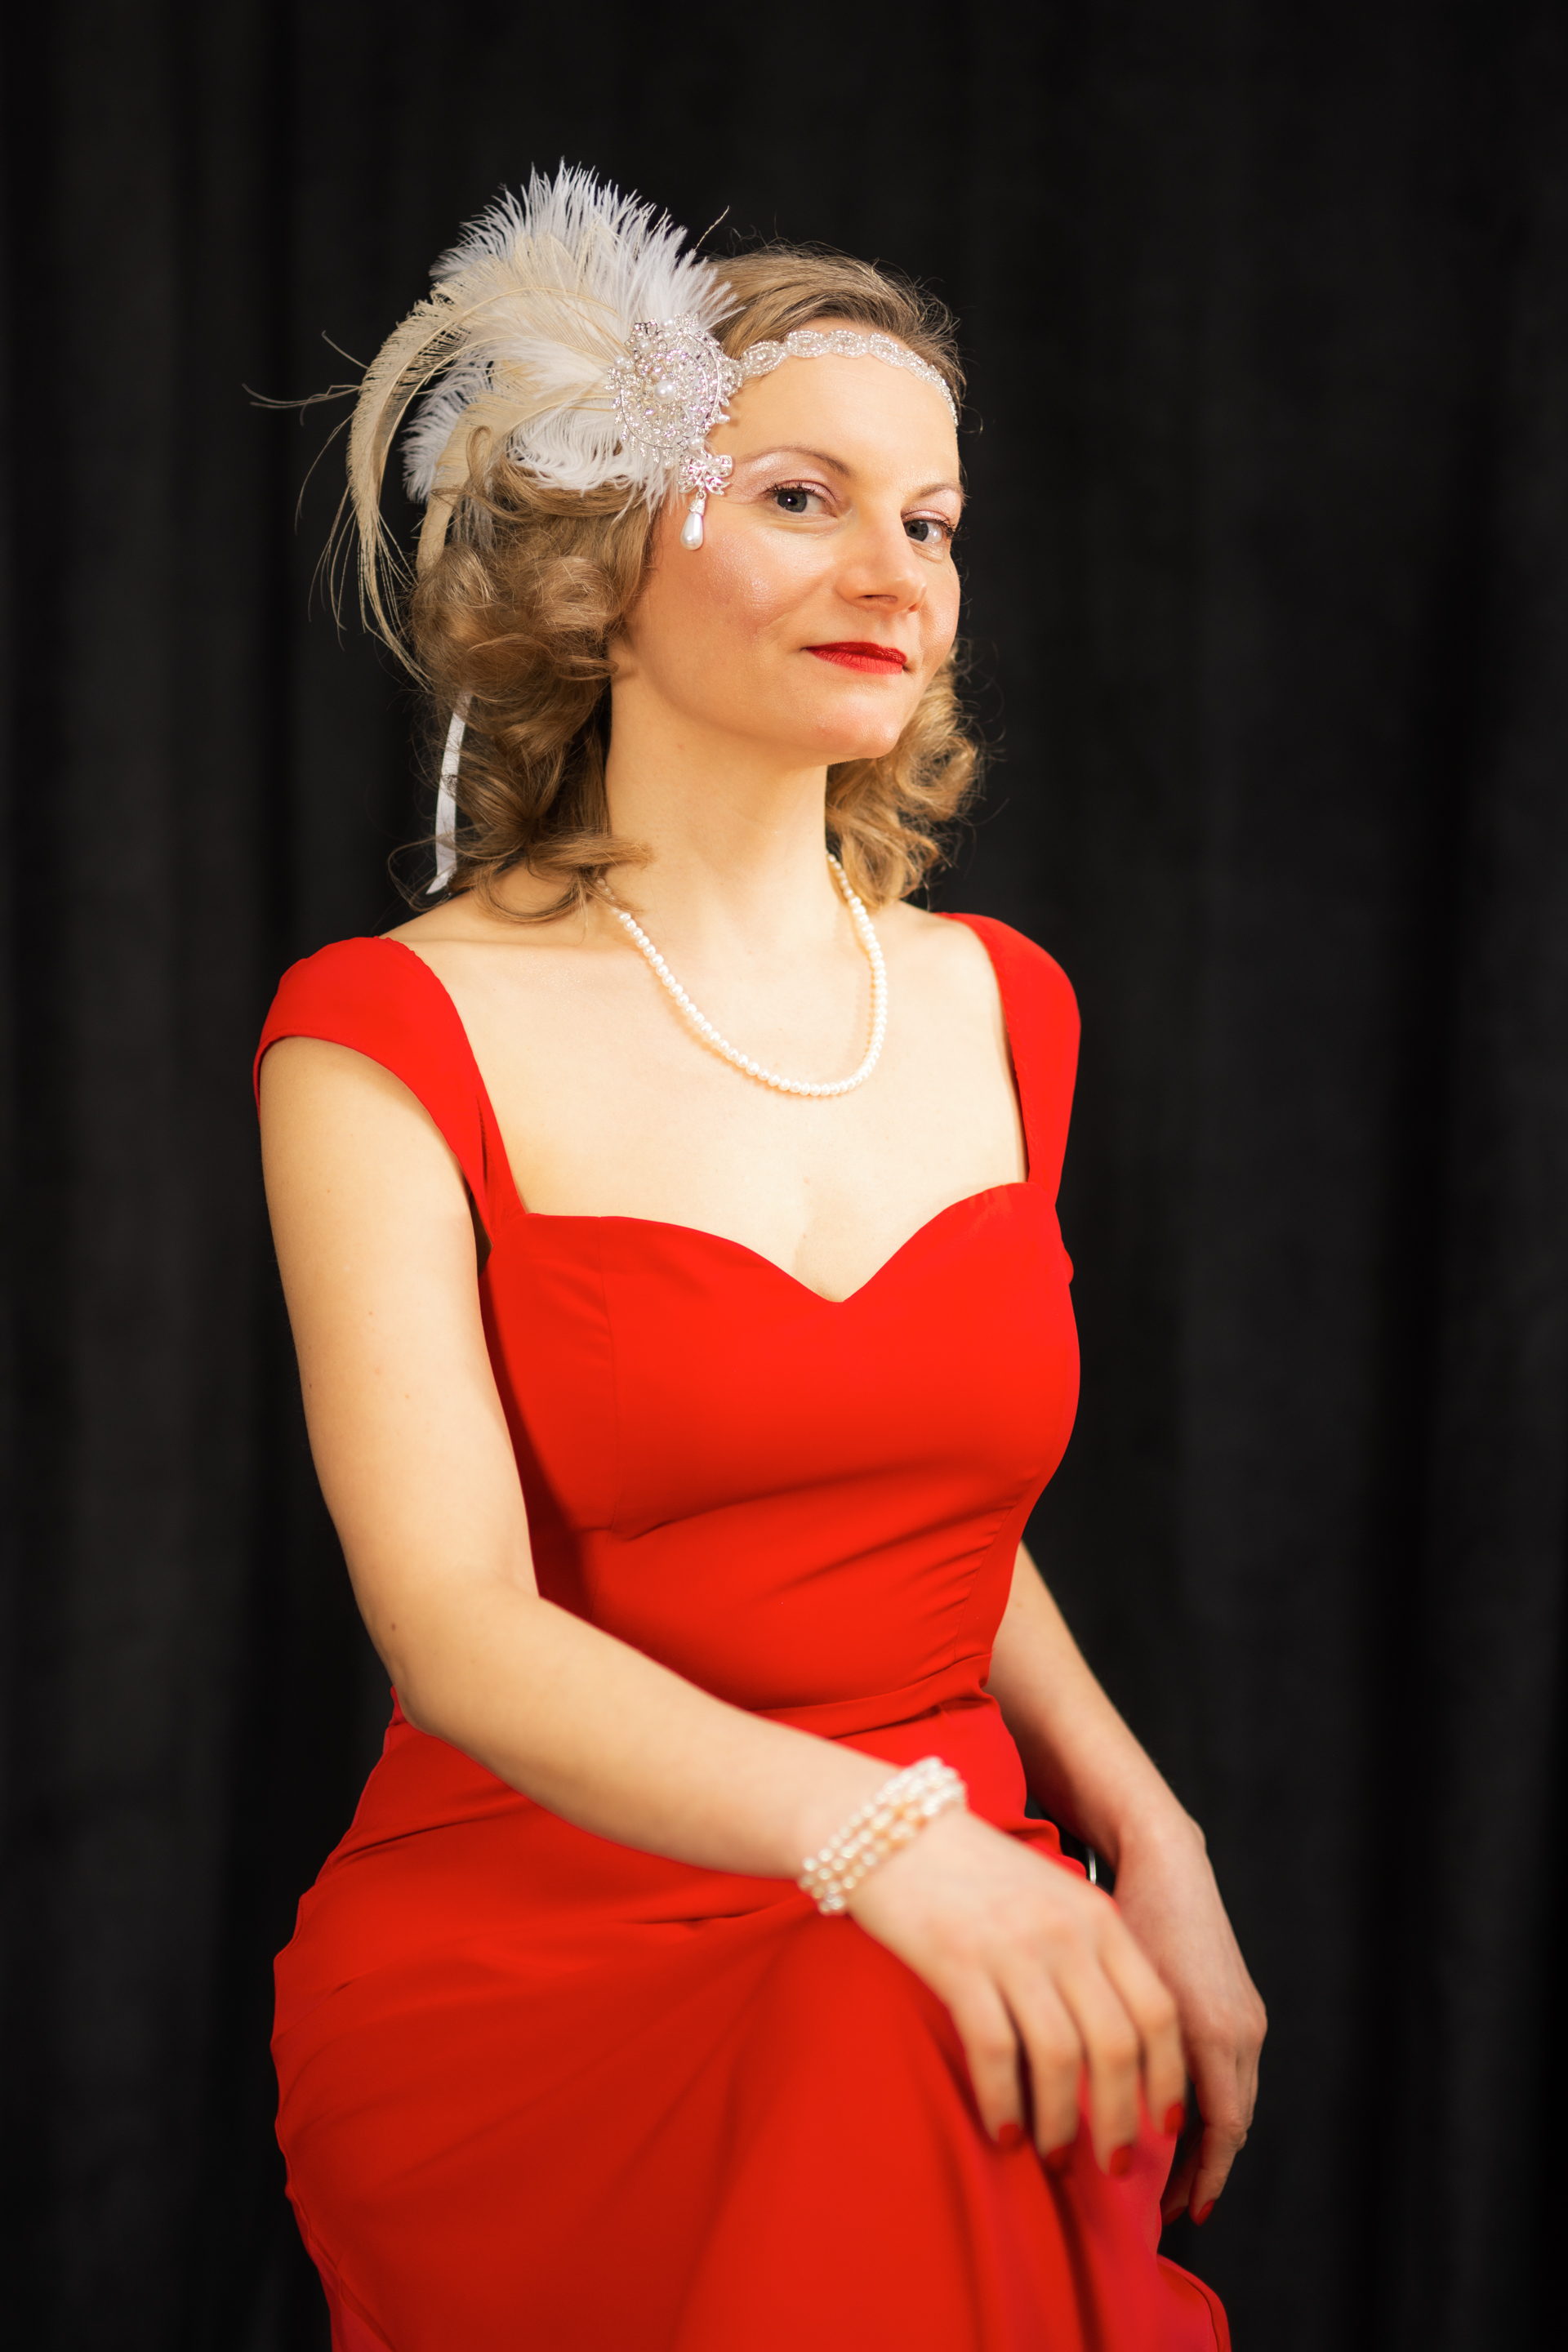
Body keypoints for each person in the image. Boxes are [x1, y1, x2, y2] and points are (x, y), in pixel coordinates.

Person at [256, 167, 1264, 2352]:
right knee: (884, 2032)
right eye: (805, 496)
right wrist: (897, 1852)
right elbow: (457, 1630)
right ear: (601, 556)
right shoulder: (385, 1033)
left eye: (935, 523)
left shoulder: (1005, 1007)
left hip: (959, 1903)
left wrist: (1149, 1832)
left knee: (912, 2037)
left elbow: (918, 1501)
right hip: (551, 1945)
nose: (896, 571)